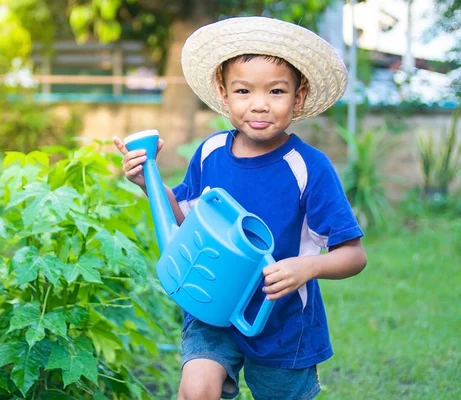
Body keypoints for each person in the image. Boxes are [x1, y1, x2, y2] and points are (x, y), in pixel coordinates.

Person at [113, 16, 367, 400]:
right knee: (196, 391)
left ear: (298, 98)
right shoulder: (211, 152)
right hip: (211, 304)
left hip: (283, 322)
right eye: (244, 91)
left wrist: (307, 267)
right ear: (224, 93)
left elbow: (354, 255)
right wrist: (146, 182)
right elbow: (185, 220)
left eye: (277, 91)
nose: (259, 105)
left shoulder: (309, 168)